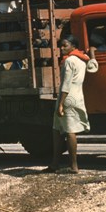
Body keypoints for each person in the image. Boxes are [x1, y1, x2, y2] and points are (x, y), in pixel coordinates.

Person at [43, 36, 98, 174]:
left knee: (68, 131)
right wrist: (91, 53)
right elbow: (93, 67)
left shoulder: (69, 61)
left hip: (67, 98)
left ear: (73, 46)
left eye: (64, 45)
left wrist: (60, 104)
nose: (61, 48)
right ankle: (55, 163)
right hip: (77, 96)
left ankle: (73, 166)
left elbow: (66, 84)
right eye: (61, 46)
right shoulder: (82, 59)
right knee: (57, 129)